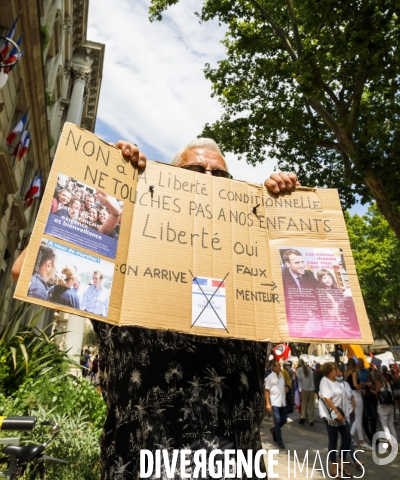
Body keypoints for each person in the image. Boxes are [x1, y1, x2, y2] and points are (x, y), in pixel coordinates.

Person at [13, 137, 299, 480]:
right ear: (167, 180)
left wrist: (283, 213)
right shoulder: (130, 256)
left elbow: (304, 299)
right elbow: (23, 269)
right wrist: (108, 176)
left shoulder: (252, 266)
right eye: (194, 170)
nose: (207, 179)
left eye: (220, 175)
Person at [319, 362, 352, 478]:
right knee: (333, 440)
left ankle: (341, 463)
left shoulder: (338, 381)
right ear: (328, 371)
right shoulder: (324, 381)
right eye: (334, 369)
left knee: (347, 438)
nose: (336, 370)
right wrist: (336, 412)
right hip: (331, 414)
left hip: (342, 414)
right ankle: (333, 467)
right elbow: (326, 398)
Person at [344, 359, 372, 450]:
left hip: (350, 395)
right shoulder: (354, 372)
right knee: (359, 419)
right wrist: (362, 390)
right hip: (356, 394)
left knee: (357, 419)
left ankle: (351, 437)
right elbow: (356, 384)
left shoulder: (346, 373)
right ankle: (362, 441)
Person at [370, 369, 398, 449]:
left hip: (383, 406)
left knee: (385, 425)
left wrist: (372, 390)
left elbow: (376, 393)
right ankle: (395, 443)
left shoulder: (378, 382)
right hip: (390, 405)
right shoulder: (387, 382)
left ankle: (391, 443)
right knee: (391, 424)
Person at [265, 359, 287, 449]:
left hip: (283, 401)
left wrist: (286, 389)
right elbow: (266, 390)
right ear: (274, 367)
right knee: (277, 420)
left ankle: (274, 429)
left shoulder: (281, 376)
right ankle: (279, 440)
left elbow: (283, 386)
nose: (280, 367)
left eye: (280, 365)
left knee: (284, 420)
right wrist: (267, 403)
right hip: (275, 402)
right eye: (278, 365)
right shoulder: (270, 377)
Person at [357, 358, 377, 444]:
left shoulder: (366, 371)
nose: (361, 365)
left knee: (373, 416)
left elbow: (371, 380)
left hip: (368, 394)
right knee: (364, 416)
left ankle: (373, 435)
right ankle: (369, 435)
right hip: (361, 394)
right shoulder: (355, 373)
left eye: (362, 363)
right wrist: (365, 384)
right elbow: (356, 383)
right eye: (360, 363)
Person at [296, 359, 315, 426]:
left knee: (304, 404)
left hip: (304, 388)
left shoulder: (299, 370)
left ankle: (302, 417)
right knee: (311, 405)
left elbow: (300, 379)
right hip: (311, 388)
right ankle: (311, 420)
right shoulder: (309, 369)